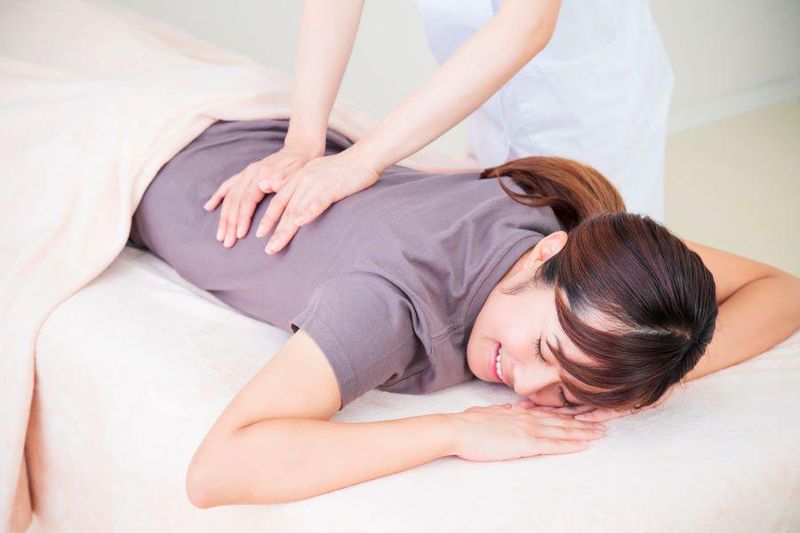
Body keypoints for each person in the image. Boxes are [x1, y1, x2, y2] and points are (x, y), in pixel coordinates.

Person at [127, 117, 800, 507]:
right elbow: (217, 470)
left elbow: (782, 288)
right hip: (166, 156)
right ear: (547, 257)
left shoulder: (584, 246)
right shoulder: (389, 304)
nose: (528, 385)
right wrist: (456, 431)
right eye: (548, 351)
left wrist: (641, 381)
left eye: (567, 392)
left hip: (250, 135)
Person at [206, 0, 673, 257]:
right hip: (490, 98)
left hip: (587, 104)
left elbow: (528, 22)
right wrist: (302, 141)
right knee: (518, 244)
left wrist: (362, 160)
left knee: (611, 266)